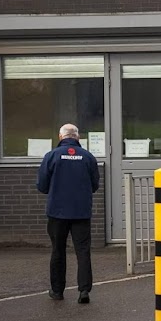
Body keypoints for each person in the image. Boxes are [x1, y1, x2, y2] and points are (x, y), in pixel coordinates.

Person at [37, 123, 100, 304]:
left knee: (58, 250)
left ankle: (57, 291)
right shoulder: (88, 157)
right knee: (83, 251)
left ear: (60, 136)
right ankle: (84, 290)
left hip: (57, 212)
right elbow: (95, 185)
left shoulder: (52, 156)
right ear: (77, 137)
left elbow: (42, 185)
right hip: (81, 212)